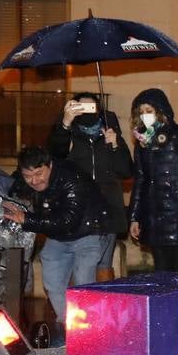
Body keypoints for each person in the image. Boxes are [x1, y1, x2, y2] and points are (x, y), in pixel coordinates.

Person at [3, 145, 110, 348]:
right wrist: (13, 202)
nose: (34, 181)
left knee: (82, 284)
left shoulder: (71, 178)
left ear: (49, 166)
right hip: (58, 235)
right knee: (52, 282)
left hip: (88, 231)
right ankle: (68, 329)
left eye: (39, 174)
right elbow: (14, 192)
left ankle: (89, 336)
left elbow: (67, 220)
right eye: (28, 176)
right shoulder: (24, 180)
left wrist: (27, 219)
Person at [48, 92, 132, 281]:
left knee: (103, 267)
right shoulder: (69, 134)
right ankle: (79, 306)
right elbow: (54, 156)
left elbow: (126, 171)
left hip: (107, 210)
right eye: (81, 107)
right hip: (80, 211)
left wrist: (116, 145)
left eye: (90, 107)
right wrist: (65, 123)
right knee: (81, 267)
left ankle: (101, 307)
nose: (86, 111)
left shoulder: (110, 133)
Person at [128, 88, 178, 272]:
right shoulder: (142, 143)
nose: (145, 116)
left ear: (160, 110)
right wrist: (134, 217)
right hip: (155, 218)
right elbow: (140, 182)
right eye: (141, 112)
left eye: (149, 111)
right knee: (161, 272)